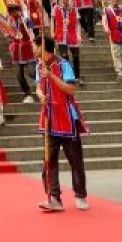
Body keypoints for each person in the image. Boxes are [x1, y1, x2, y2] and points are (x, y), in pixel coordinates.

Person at [37, 42, 89, 212]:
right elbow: (38, 86)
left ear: (43, 47)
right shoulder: (39, 65)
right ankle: (53, 197)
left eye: (35, 46)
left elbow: (71, 89)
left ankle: (80, 195)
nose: (34, 50)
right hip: (49, 117)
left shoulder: (63, 64)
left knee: (74, 158)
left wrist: (51, 76)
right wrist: (40, 95)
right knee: (49, 159)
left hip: (66, 116)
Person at [7, 3, 37, 103]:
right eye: (12, 12)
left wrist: (33, 43)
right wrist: (11, 36)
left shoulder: (26, 20)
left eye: (15, 11)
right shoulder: (9, 21)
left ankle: (42, 86)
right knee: (19, 75)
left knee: (32, 72)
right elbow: (9, 33)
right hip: (16, 50)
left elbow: (31, 33)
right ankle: (27, 93)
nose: (14, 14)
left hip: (27, 48)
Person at [51, 0, 83, 86]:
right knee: (64, 57)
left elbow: (77, 23)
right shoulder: (56, 8)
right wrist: (52, 31)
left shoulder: (74, 9)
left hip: (72, 36)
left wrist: (79, 35)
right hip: (61, 36)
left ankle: (77, 76)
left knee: (76, 56)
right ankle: (68, 76)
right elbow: (53, 20)